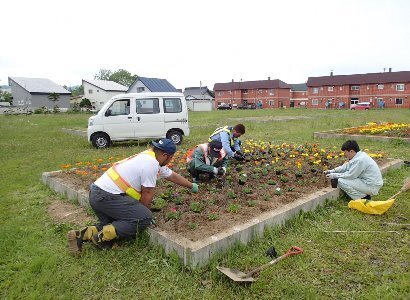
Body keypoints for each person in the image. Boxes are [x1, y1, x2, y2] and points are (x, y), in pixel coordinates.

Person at [67, 138, 198, 255]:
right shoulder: (151, 164)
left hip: (96, 195)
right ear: (165, 155)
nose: (170, 161)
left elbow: (171, 175)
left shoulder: (148, 157)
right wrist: (143, 214)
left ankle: (83, 235)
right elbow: (147, 193)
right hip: (106, 198)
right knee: (144, 218)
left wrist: (191, 185)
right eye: (171, 158)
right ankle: (101, 239)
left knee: (117, 224)